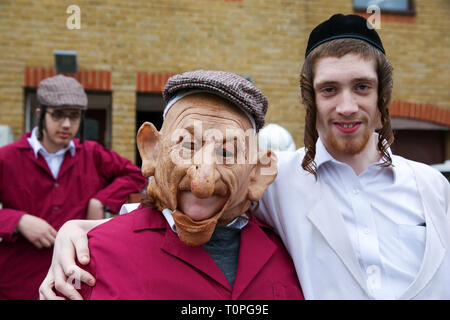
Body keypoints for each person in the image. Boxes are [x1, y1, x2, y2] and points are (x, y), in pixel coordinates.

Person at [40, 14, 450, 300]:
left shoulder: (434, 187)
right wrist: (78, 232)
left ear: (381, 95)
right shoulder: (286, 180)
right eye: (329, 90)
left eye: (362, 87)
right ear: (311, 98)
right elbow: (179, 202)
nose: (346, 106)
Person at [40, 70, 303, 300]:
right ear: (152, 150)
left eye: (227, 153)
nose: (203, 184)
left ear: (257, 173)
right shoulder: (91, 257)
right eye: (187, 146)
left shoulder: (295, 254)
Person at [0, 75, 147, 299]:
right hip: (18, 278)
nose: (67, 124)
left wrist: (102, 200)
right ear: (40, 115)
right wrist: (18, 220)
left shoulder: (92, 153)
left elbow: (136, 174)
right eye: (58, 115)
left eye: (74, 116)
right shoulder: (7, 157)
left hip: (72, 280)